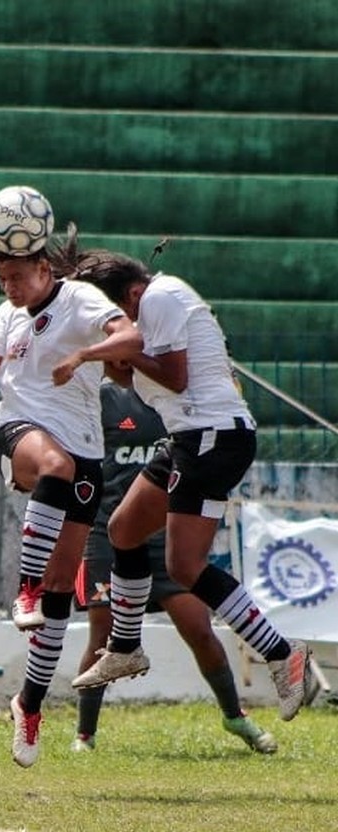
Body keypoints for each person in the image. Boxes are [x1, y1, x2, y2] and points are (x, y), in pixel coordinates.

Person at [50, 240, 310, 720]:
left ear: (129, 293)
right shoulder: (147, 311)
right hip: (192, 439)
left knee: (185, 566)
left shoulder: (159, 296)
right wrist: (115, 361)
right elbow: (142, 382)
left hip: (214, 438)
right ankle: (126, 646)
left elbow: (174, 377)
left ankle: (282, 654)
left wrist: (94, 353)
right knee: (124, 528)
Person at [0, 202, 142, 768]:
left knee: (59, 599)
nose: (10, 288)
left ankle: (29, 703)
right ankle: (22, 587)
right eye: (2, 280)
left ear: (45, 269)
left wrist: (85, 355)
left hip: (85, 451)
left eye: (17, 278)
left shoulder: (81, 301)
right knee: (54, 467)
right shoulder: (8, 313)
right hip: (17, 432)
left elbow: (130, 338)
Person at [72, 379, 277, 754]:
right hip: (108, 534)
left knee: (199, 628)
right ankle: (85, 734)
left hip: (167, 534)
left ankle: (235, 716)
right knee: (102, 635)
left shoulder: (181, 401)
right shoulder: (104, 399)